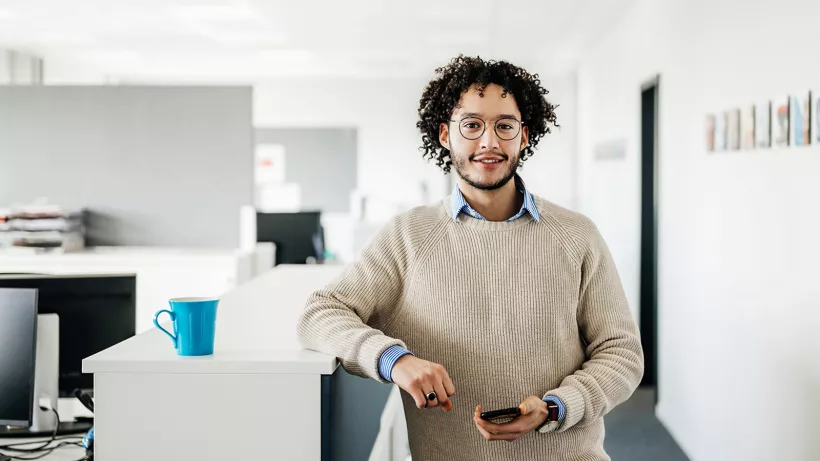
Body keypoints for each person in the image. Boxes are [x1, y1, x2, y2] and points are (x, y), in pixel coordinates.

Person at [297, 55, 644, 461]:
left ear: (524, 136)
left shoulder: (576, 234)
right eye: (472, 124)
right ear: (445, 134)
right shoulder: (409, 236)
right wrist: (394, 359)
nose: (489, 142)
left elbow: (621, 352)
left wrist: (555, 408)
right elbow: (319, 313)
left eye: (505, 126)